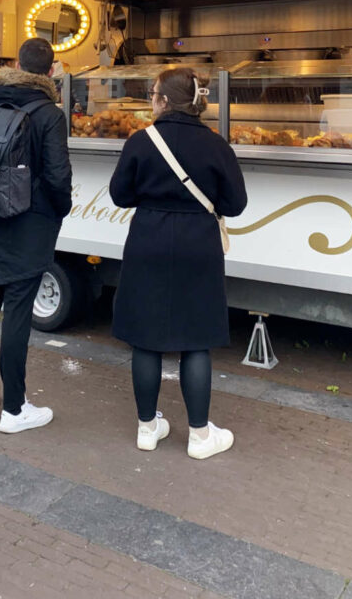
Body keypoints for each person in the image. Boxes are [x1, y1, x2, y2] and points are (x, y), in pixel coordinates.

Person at [108, 67, 247, 459]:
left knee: (146, 338)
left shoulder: (140, 141)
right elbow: (236, 204)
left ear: (164, 100)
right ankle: (200, 436)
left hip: (148, 239)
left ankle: (147, 428)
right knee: (196, 339)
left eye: (153, 93)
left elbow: (120, 195)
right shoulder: (217, 145)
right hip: (198, 246)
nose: (151, 99)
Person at [0, 37, 72, 433]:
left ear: (16, 65)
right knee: (18, 316)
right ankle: (14, 408)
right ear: (51, 70)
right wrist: (61, 209)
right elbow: (58, 177)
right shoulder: (49, 114)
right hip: (29, 225)